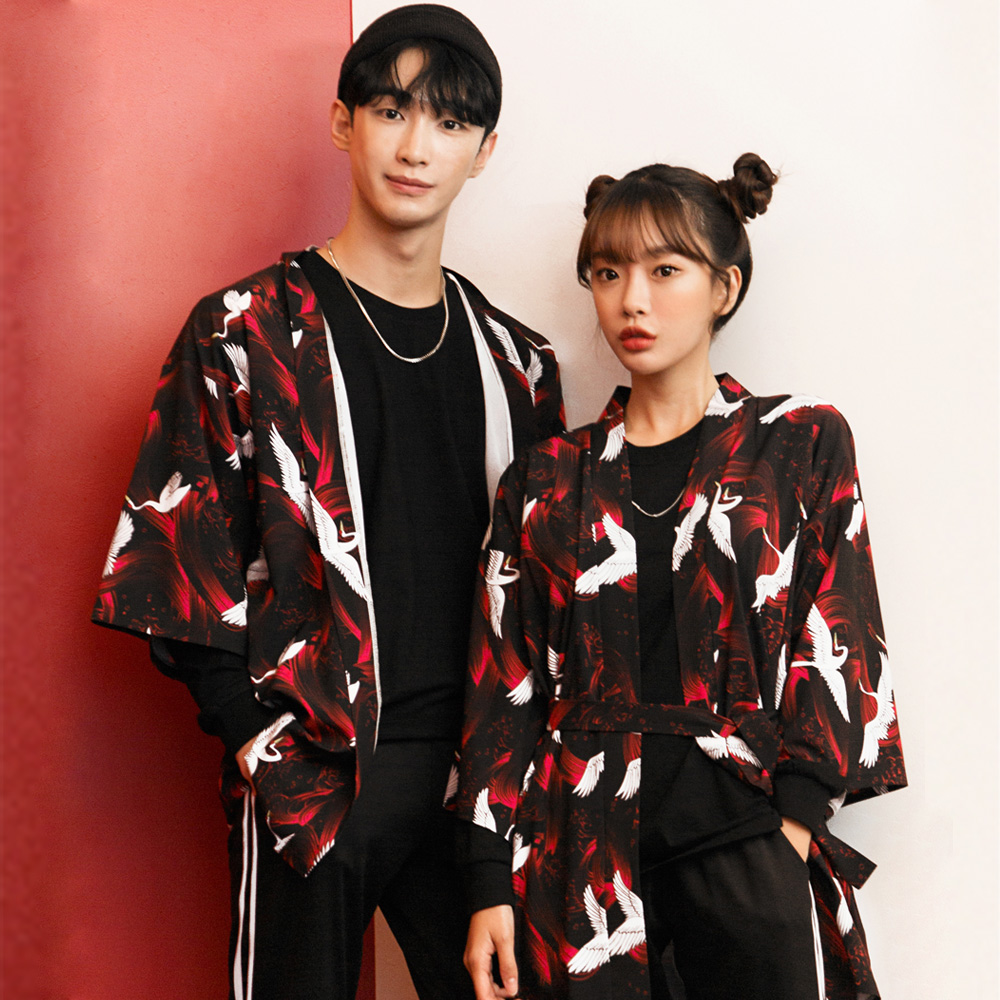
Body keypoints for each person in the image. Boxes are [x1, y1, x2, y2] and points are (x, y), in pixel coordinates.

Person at [92, 6, 563, 999]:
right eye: (391, 111)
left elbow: (539, 590)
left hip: (476, 793)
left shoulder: (518, 364)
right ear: (343, 122)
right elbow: (173, 557)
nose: (415, 146)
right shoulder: (245, 331)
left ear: (483, 151)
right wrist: (261, 745)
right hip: (319, 774)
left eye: (448, 122)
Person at [455, 157, 905, 1000]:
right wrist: (487, 881)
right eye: (608, 272)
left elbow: (839, 637)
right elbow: (500, 686)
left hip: (744, 838)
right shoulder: (545, 480)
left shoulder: (798, 442)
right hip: (577, 857)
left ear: (724, 286)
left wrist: (792, 826)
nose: (633, 300)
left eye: (665, 271)